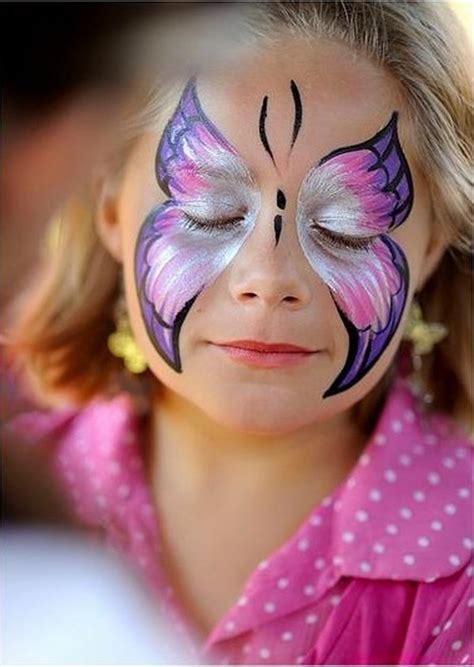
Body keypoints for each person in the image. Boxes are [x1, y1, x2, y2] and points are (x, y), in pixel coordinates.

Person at [6, 1, 473, 664]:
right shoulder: (20, 508)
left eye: (341, 228)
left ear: (431, 248)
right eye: (210, 209)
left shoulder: (462, 567)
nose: (269, 275)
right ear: (110, 204)